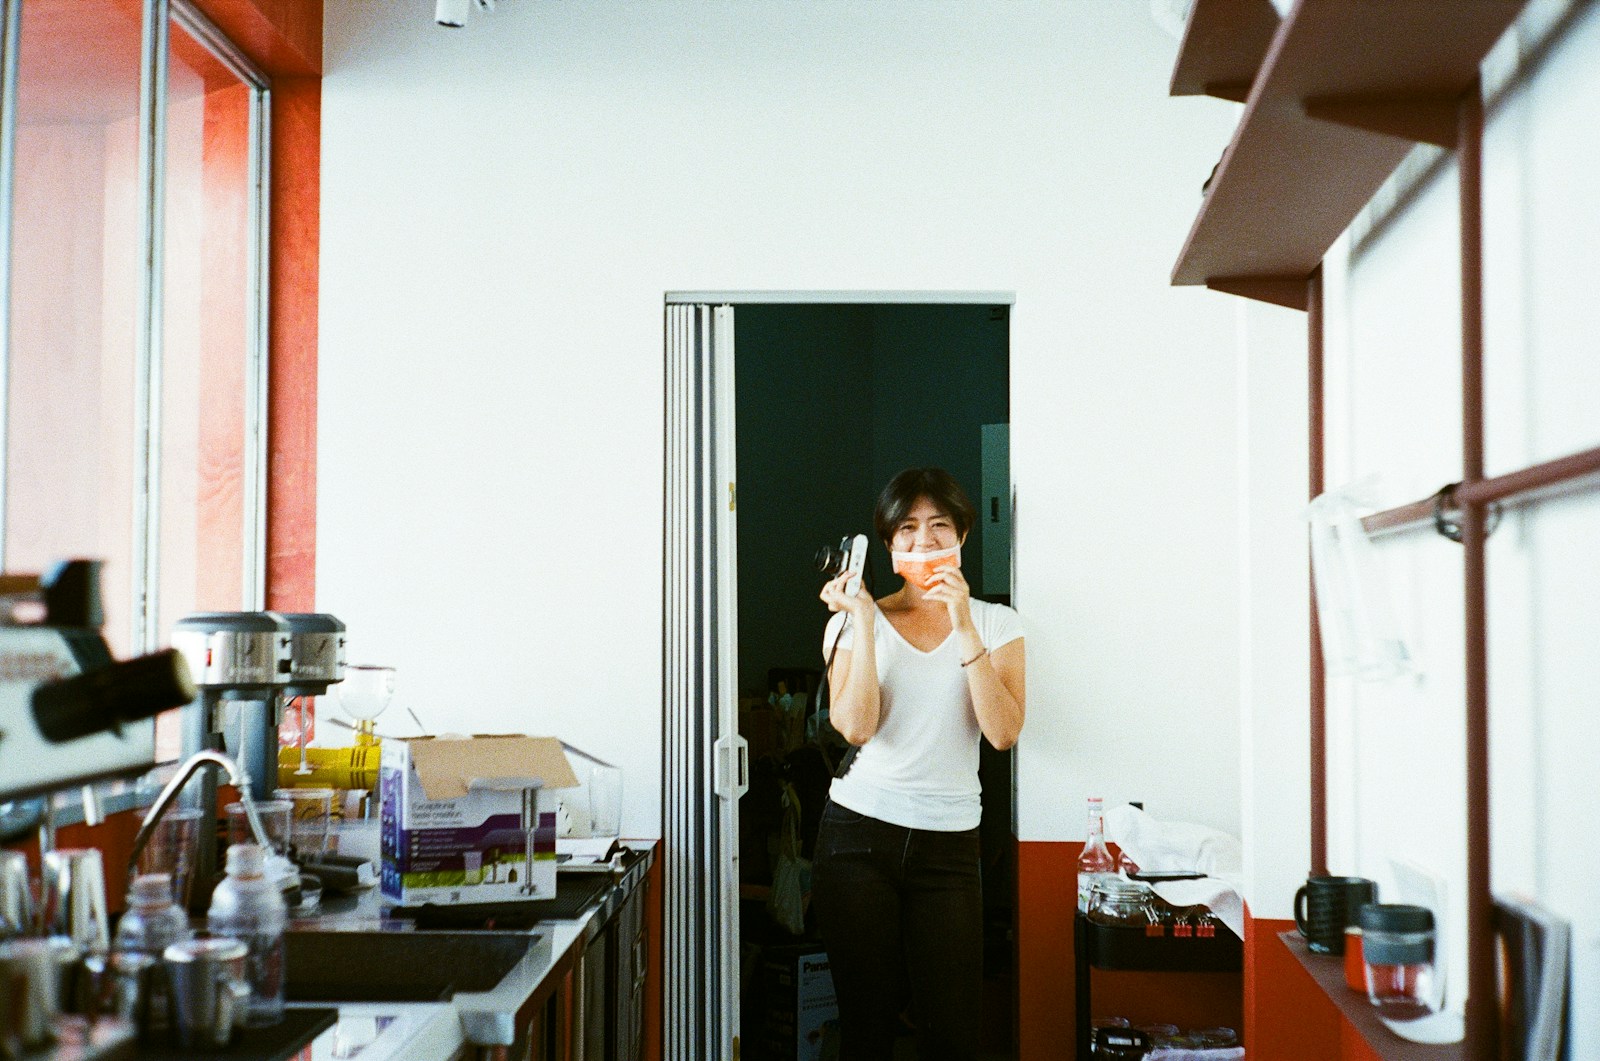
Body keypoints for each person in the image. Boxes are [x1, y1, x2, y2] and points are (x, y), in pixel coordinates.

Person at [812, 467, 1026, 1060]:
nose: (924, 542)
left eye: (938, 527)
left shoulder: (997, 624)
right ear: (886, 544)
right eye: (907, 529)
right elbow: (855, 726)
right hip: (858, 835)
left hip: (950, 846)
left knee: (954, 1029)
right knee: (868, 1026)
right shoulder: (853, 622)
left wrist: (961, 622)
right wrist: (861, 619)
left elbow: (1003, 733)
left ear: (962, 536)